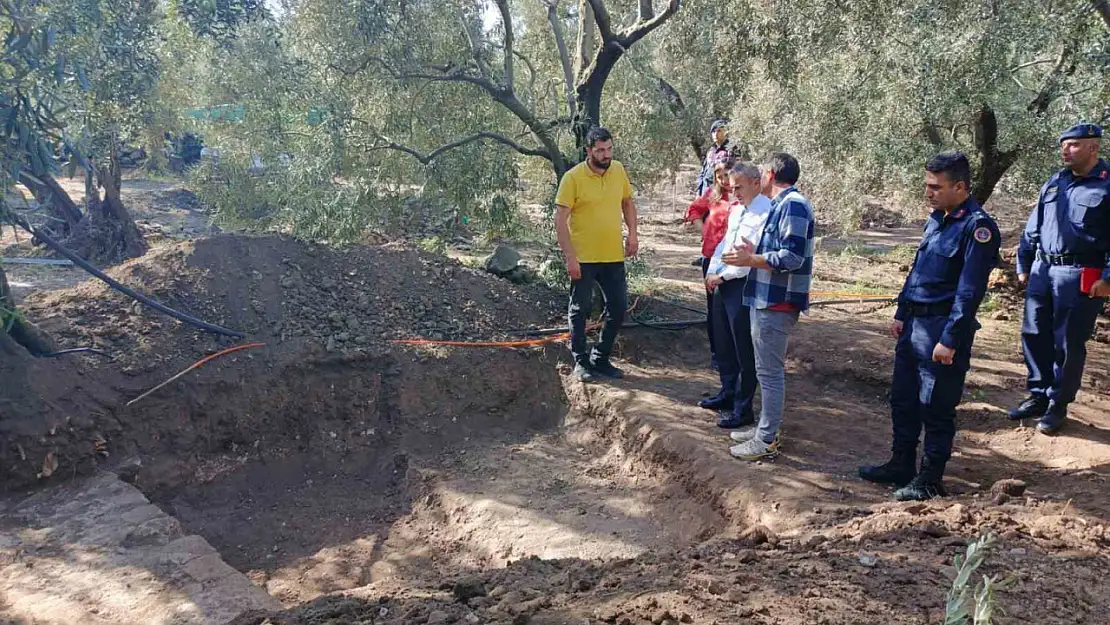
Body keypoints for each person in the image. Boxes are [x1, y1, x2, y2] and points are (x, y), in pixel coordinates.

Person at [859, 152, 1001, 501]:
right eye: (927, 185)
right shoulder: (937, 219)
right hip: (915, 325)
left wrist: (950, 339)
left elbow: (969, 292)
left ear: (960, 187)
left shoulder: (977, 228)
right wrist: (902, 312)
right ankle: (901, 463)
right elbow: (918, 271)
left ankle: (930, 478)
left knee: (935, 405)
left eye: (936, 187)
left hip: (941, 328)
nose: (929, 192)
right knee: (904, 399)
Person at [1009, 123, 1110, 434]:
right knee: (1034, 332)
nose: (1066, 150)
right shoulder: (1055, 182)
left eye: (1075, 144)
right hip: (1043, 270)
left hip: (1080, 274)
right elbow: (1033, 225)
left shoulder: (1107, 186)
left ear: (1094, 148)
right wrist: (1023, 262)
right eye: (1064, 144)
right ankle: (1038, 394)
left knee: (1067, 343)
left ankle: (1057, 404)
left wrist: (1108, 278)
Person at [720, 152, 815, 461]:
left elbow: (791, 257)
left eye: (762, 171)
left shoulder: (794, 205)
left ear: (771, 175)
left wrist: (752, 259)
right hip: (765, 299)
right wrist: (754, 252)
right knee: (765, 371)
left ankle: (766, 439)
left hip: (777, 302)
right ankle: (764, 428)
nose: (758, 175)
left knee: (770, 373)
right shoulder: (780, 206)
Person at [555, 126, 639, 383]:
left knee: (618, 305)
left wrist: (633, 234)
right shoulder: (573, 178)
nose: (606, 154)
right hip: (584, 258)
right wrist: (570, 256)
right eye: (600, 150)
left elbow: (627, 202)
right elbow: (560, 220)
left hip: (613, 254)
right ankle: (580, 361)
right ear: (589, 150)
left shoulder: (618, 171)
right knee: (579, 309)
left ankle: (600, 358)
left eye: (609, 149)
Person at [704, 162, 773, 428]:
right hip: (722, 281)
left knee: (743, 347)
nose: (735, 193)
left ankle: (743, 408)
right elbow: (725, 243)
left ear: (756, 183)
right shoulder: (736, 211)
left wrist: (723, 275)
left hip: (743, 284)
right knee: (723, 342)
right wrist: (712, 270)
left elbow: (749, 253)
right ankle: (727, 392)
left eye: (740, 187)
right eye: (732, 188)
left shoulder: (765, 212)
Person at [684, 155, 734, 375]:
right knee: (713, 308)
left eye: (726, 175)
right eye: (718, 176)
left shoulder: (741, 197)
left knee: (732, 308)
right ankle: (717, 354)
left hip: (733, 260)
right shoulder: (712, 195)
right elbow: (693, 210)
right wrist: (702, 228)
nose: (723, 179)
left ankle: (734, 353)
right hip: (711, 257)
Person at [696, 119, 742, 197]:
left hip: (723, 192)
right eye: (713, 132)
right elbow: (703, 172)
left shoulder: (732, 149)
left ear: (726, 132)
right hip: (706, 191)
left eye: (719, 131)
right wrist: (699, 192)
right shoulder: (711, 151)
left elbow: (737, 172)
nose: (716, 134)